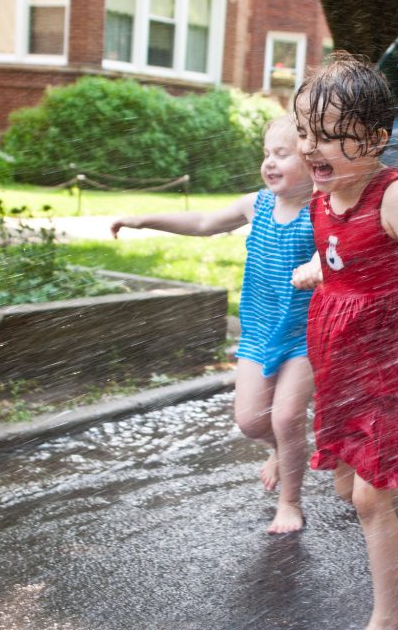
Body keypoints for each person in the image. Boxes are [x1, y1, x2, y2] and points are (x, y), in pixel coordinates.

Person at [289, 52, 398, 630]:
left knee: (367, 497)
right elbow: (340, 246)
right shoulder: (321, 196)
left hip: (391, 358)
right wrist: (318, 265)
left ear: (377, 139)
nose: (312, 147)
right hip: (342, 360)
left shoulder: (396, 196)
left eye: (331, 136)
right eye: (306, 132)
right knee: (343, 483)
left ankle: (387, 618)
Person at [110, 115, 316, 535]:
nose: (270, 163)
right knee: (252, 422)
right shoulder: (255, 205)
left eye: (282, 155)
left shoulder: (322, 212)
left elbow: (340, 251)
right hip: (258, 331)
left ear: (313, 161)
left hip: (305, 334)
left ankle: (290, 501)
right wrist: (143, 220)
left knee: (287, 417)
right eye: (266, 155)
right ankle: (280, 450)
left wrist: (316, 265)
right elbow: (204, 224)